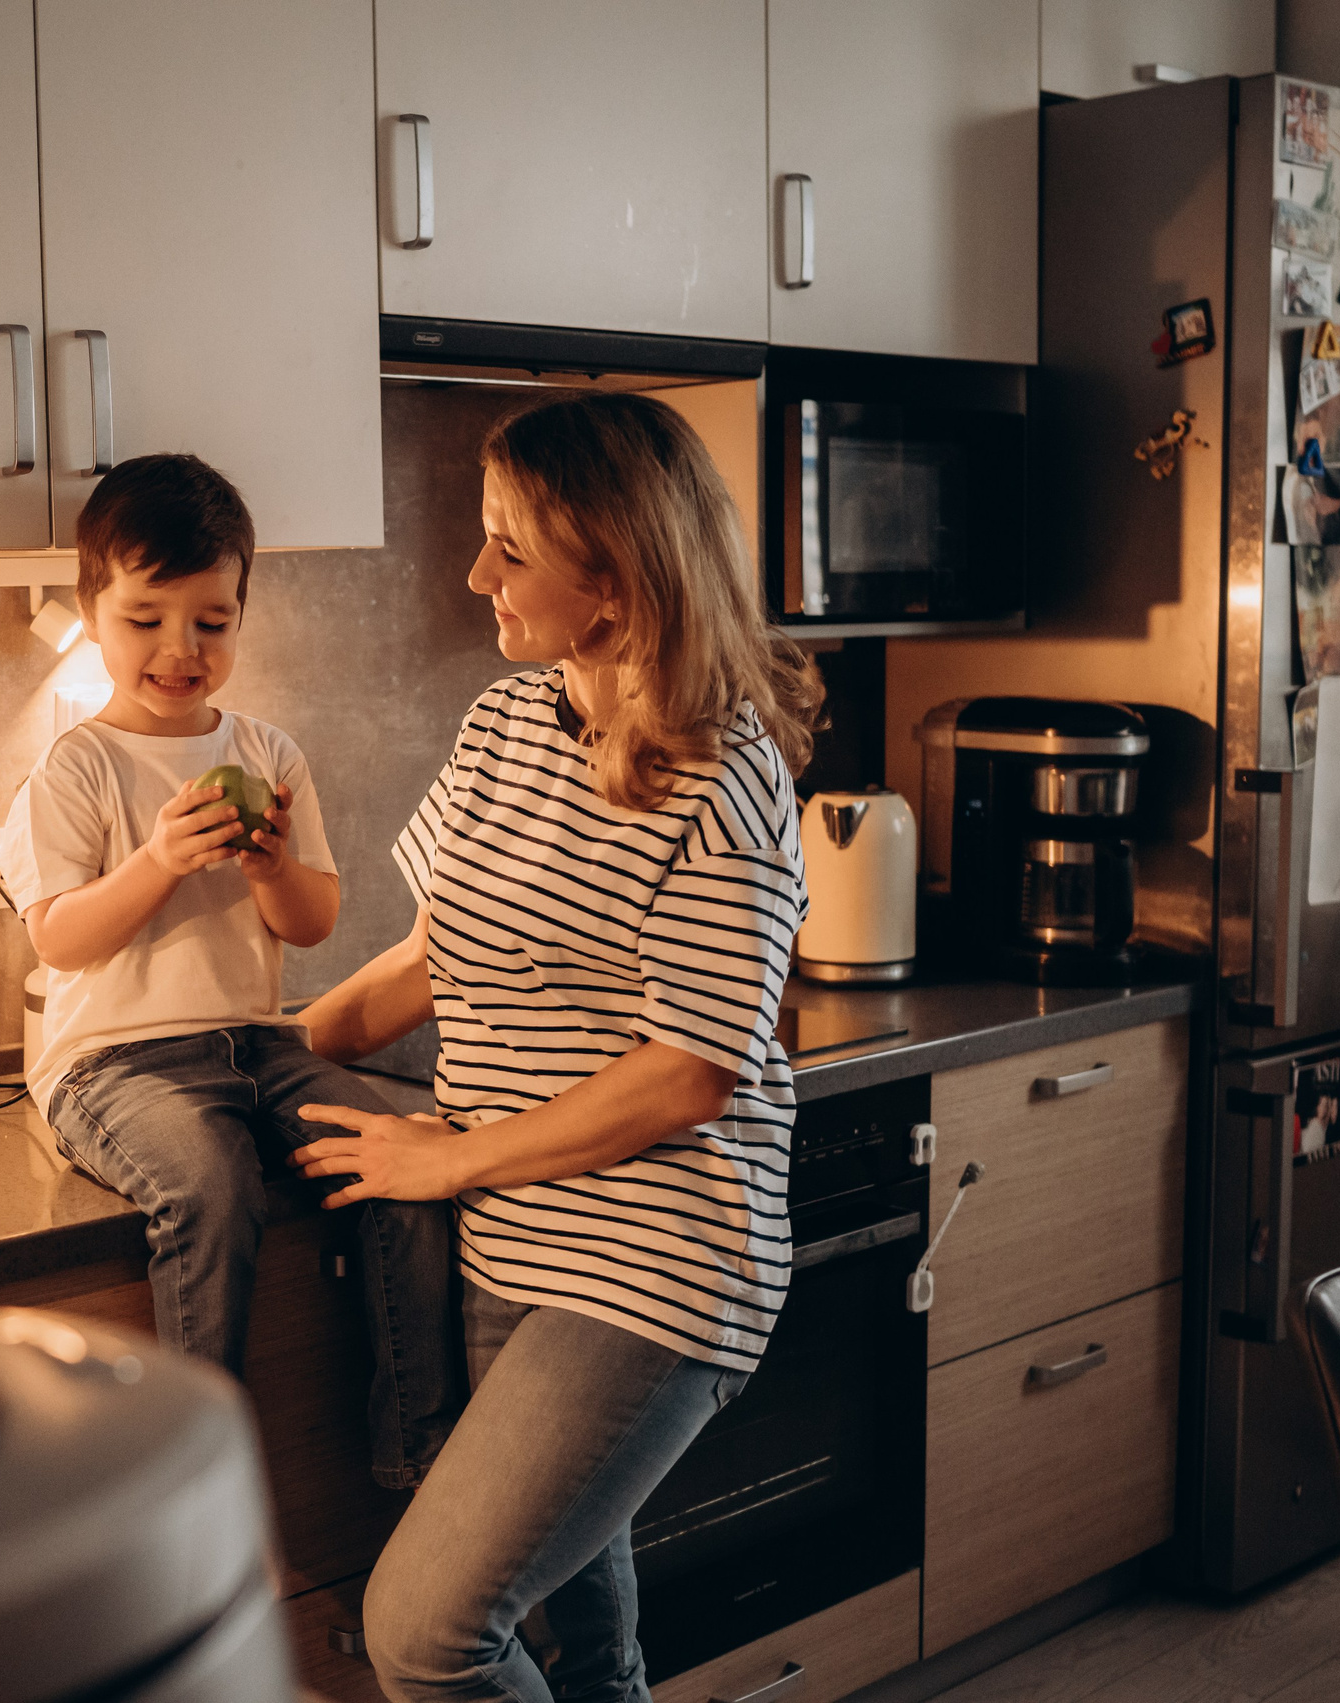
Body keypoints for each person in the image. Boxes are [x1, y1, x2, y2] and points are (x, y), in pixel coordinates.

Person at [292, 392, 822, 1700]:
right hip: (515, 1238)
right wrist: (260, 1046)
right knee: (586, 1655)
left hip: (659, 1258)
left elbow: (692, 1068)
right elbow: (437, 951)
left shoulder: (725, 767)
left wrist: (448, 1155)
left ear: (617, 574)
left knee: (428, 1629)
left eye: (509, 549)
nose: (475, 575)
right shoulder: (507, 723)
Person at [0, 452, 456, 1490]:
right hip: (112, 1063)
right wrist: (157, 860)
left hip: (257, 1044)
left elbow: (313, 921)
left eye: (211, 620)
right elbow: (59, 939)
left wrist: (271, 864)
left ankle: (416, 1457)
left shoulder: (267, 752)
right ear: (94, 610)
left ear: (241, 614)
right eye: (146, 616)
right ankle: (196, 1476)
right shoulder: (76, 766)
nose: (179, 648)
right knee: (208, 1183)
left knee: (402, 1159)